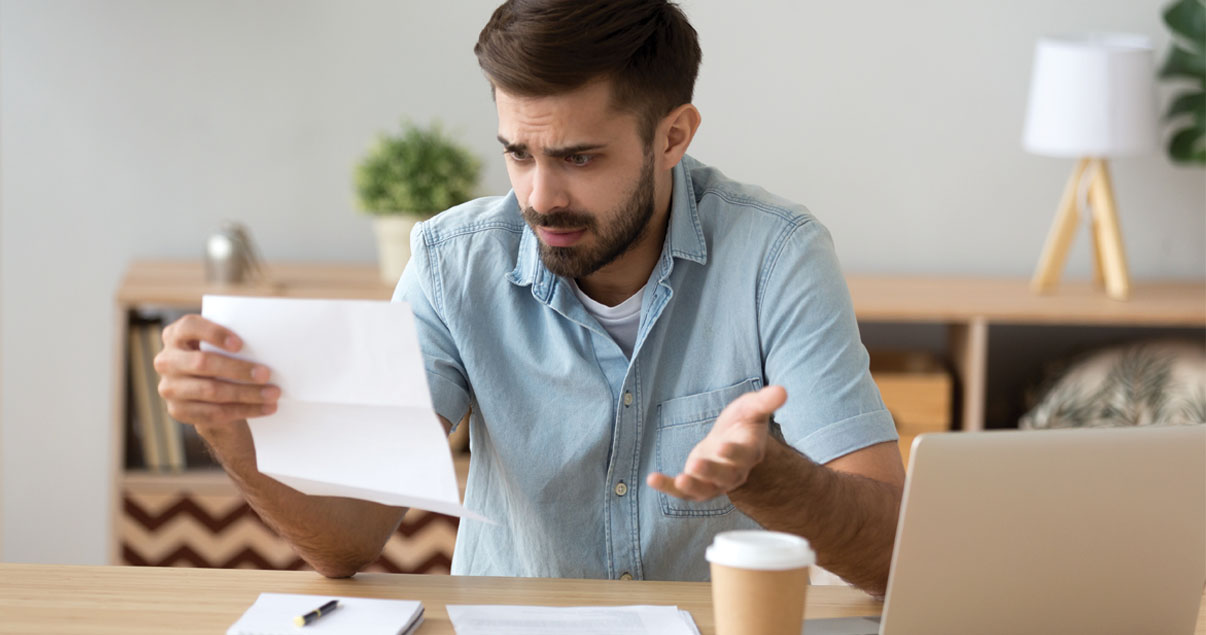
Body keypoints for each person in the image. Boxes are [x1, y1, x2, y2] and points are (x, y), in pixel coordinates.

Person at [154, 0, 905, 596]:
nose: (541, 198)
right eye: (518, 152)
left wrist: (774, 477)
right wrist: (227, 430)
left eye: (579, 157)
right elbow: (349, 540)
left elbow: (892, 554)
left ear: (673, 136)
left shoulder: (776, 256)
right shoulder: (453, 265)